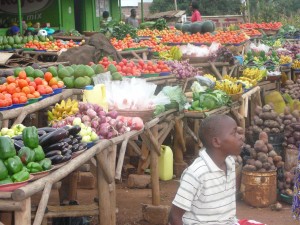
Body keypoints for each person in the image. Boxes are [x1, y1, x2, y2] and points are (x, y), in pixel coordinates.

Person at [168, 115, 265, 225]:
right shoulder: (196, 173)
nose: (241, 137)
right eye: (234, 133)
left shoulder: (230, 163)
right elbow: (174, 216)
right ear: (216, 142)